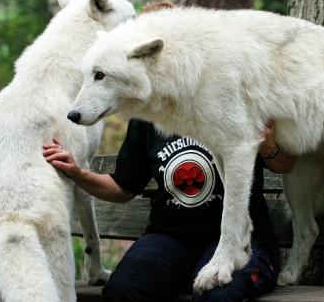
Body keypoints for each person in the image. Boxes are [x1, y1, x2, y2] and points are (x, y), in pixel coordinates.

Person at [43, 119, 294, 302]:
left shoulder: (233, 98)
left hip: (240, 240)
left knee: (220, 295)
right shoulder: (149, 115)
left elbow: (285, 165)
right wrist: (78, 173)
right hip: (171, 238)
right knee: (124, 289)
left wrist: (268, 145)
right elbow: (122, 187)